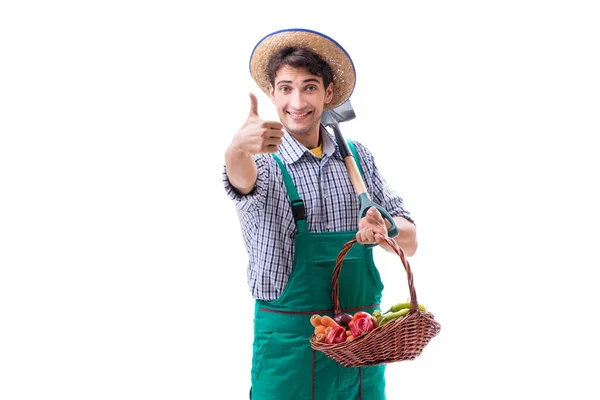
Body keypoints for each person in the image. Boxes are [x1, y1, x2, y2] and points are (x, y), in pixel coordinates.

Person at [222, 28, 417, 400]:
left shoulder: (359, 160)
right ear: (272, 94)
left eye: (309, 87)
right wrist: (235, 149)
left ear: (328, 94)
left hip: (361, 346)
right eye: (286, 88)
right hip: (290, 351)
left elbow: (411, 240)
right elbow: (240, 178)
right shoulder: (262, 162)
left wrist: (386, 227)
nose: (297, 101)